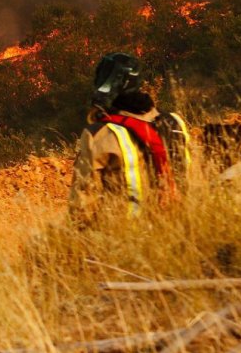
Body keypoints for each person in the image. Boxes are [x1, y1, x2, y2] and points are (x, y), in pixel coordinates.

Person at [69, 53, 192, 226]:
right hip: (180, 230)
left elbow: (81, 205)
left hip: (126, 239)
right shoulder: (175, 122)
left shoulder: (99, 135)